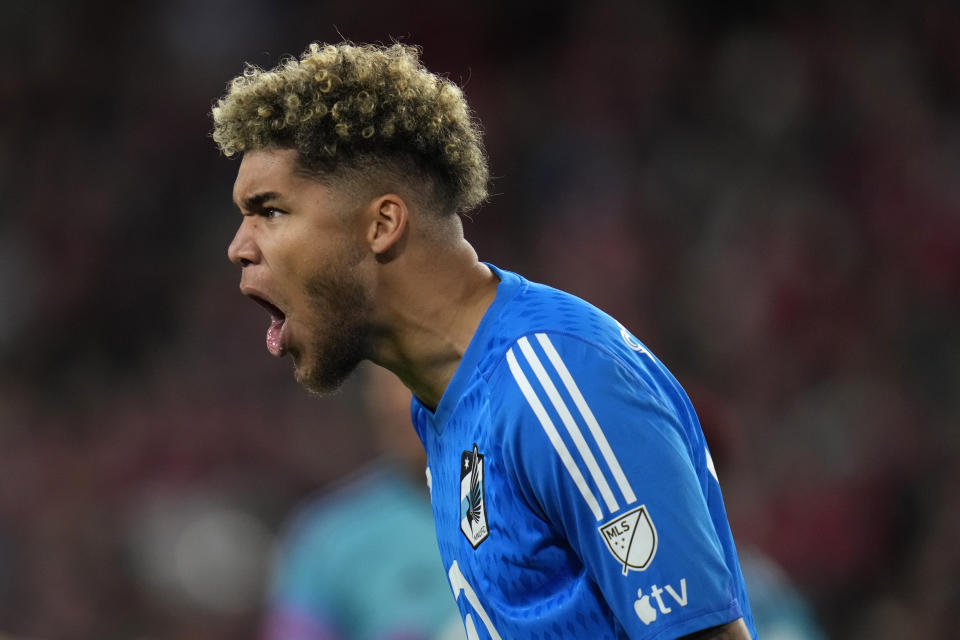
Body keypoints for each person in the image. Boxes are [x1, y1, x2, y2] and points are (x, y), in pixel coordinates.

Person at [213, 42, 757, 639]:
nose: (240, 247)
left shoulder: (557, 382)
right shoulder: (445, 413)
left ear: (381, 224)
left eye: (270, 210)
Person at [262, 365, 465, 640]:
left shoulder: (527, 497)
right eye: (378, 384)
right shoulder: (327, 538)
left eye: (408, 379)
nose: (391, 401)